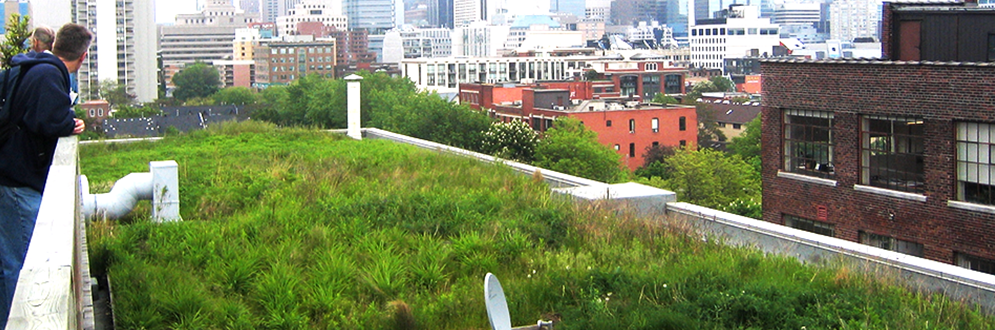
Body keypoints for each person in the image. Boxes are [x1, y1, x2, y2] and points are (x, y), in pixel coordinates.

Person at [0, 23, 91, 326]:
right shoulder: (50, 75)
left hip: (9, 173)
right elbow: (51, 119)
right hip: (18, 179)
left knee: (12, 261)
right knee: (22, 265)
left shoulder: (34, 65)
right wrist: (70, 122)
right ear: (82, 57)